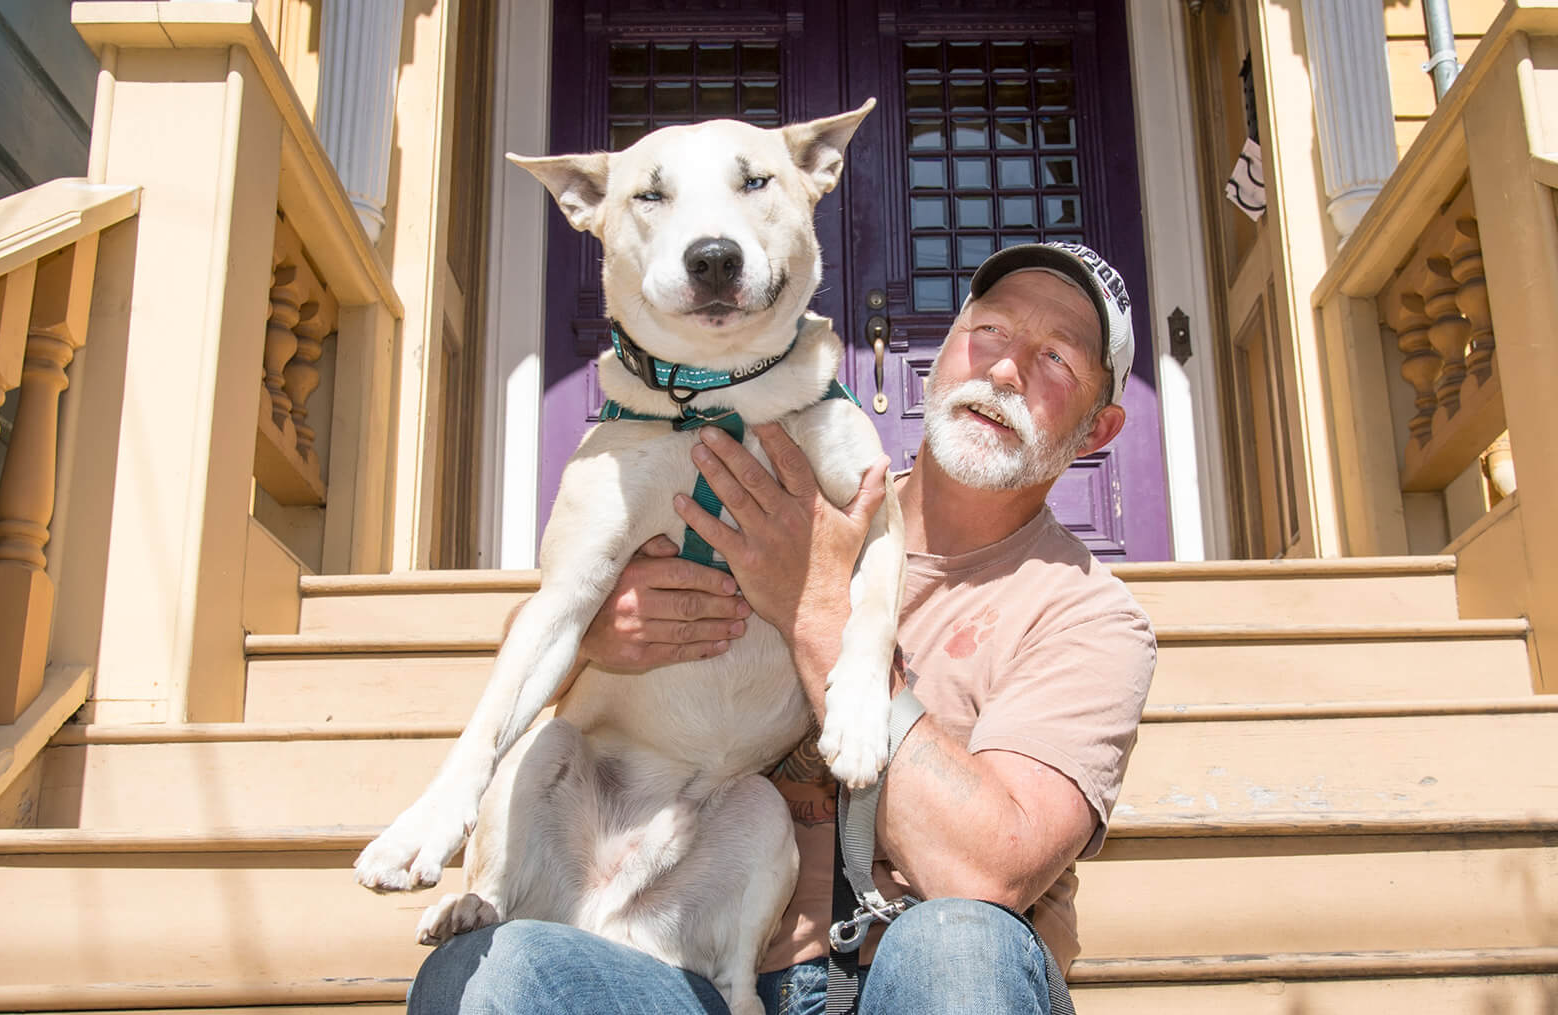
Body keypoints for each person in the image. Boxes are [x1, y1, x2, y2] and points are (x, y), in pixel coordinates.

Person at [408, 241, 1159, 1015]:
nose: (1005, 370)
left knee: (959, 942)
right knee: (489, 975)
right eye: (991, 332)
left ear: (1099, 430)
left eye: (1056, 359)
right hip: (701, 975)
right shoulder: (787, 494)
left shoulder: (1089, 616)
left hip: (918, 981)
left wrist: (818, 605)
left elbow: (988, 872)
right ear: (940, 355)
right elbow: (542, 625)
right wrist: (604, 626)